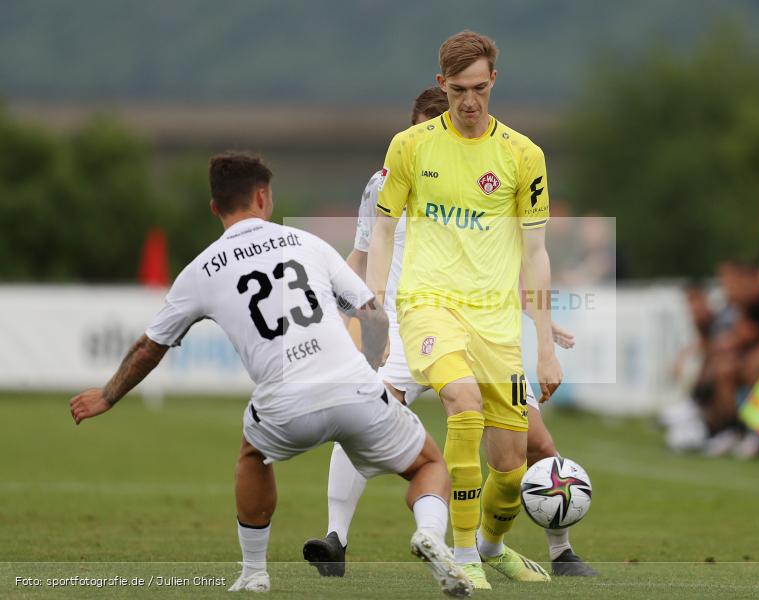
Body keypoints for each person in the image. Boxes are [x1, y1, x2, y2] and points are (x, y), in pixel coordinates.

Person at [68, 152, 473, 597]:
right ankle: (431, 534)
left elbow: (150, 347)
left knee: (253, 456)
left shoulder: (201, 270)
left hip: (285, 403)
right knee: (429, 464)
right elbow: (373, 316)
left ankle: (255, 573)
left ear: (214, 207)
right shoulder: (306, 242)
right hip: (354, 387)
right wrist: (370, 369)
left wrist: (107, 396)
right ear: (263, 196)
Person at [304, 86, 596, 580]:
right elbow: (359, 252)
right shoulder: (386, 181)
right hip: (407, 324)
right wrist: (343, 313)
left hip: (480, 325)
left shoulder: (492, 167)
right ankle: (337, 537)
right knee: (362, 424)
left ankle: (556, 549)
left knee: (535, 442)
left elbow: (502, 257)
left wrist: (535, 315)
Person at [365, 31, 563, 589]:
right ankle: (462, 555)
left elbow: (537, 254)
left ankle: (492, 546)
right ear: (440, 85)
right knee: (462, 403)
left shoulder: (524, 156)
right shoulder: (410, 145)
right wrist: (374, 298)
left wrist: (544, 346)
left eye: (479, 88)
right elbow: (382, 228)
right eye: (457, 90)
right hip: (428, 306)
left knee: (510, 463)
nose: (469, 101)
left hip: (497, 324)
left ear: (494, 81)